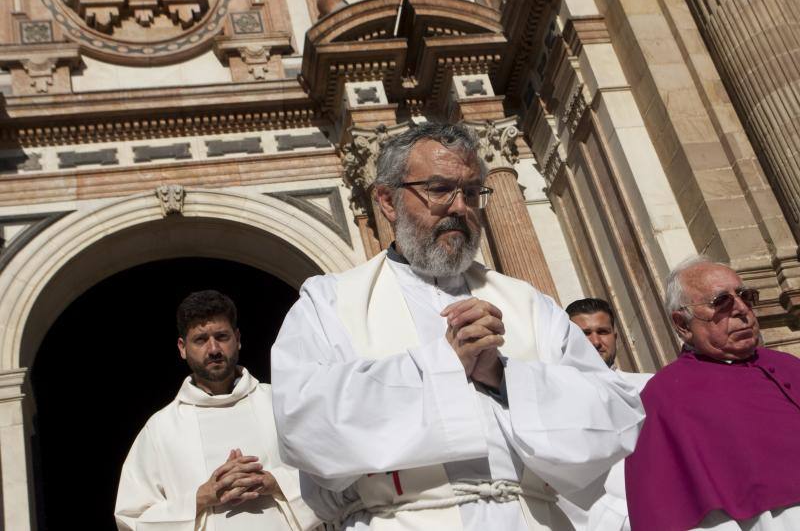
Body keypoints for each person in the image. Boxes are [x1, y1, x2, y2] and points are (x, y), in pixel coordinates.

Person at [270, 122, 645, 530]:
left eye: (470, 192)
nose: (459, 207)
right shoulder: (330, 302)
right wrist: (444, 364)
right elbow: (304, 424)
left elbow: (613, 416)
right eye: (438, 189)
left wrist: (502, 376)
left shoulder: (528, 304)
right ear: (387, 201)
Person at [115, 290, 320, 531]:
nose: (213, 349)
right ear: (182, 348)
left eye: (221, 336)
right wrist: (202, 497)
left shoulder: (280, 401)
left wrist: (274, 482)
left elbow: (336, 474)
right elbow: (131, 518)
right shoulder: (161, 428)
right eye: (201, 340)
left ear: (238, 338)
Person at [626, 257, 800, 530]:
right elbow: (666, 510)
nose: (742, 309)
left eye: (745, 296)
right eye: (721, 302)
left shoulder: (789, 365)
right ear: (682, 324)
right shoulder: (665, 396)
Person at [565, 298, 652, 531]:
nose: (595, 341)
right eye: (585, 334)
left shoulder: (652, 387)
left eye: (602, 332)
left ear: (616, 336)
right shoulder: (554, 400)